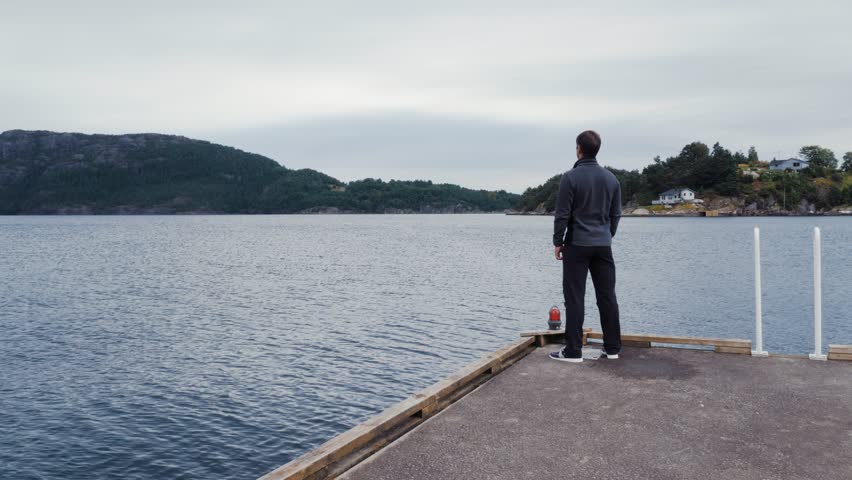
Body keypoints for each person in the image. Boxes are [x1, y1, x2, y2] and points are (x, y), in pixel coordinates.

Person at [549, 130, 622, 363]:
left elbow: (562, 214)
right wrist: (607, 234)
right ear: (597, 150)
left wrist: (558, 242)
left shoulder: (570, 177)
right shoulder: (612, 179)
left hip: (577, 244)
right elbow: (616, 214)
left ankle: (573, 351)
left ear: (579, 149)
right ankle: (612, 349)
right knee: (607, 296)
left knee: (574, 298)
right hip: (603, 245)